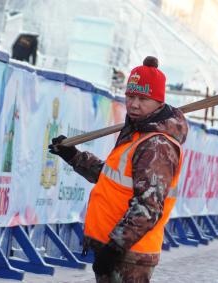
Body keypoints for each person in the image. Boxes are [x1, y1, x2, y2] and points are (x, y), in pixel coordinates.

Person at [49, 56, 188, 282]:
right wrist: (74, 156)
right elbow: (111, 179)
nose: (133, 104)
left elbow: (149, 206)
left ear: (159, 103)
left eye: (143, 98)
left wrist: (115, 247)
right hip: (116, 247)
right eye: (130, 96)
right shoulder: (136, 133)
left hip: (128, 254)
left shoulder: (157, 145)